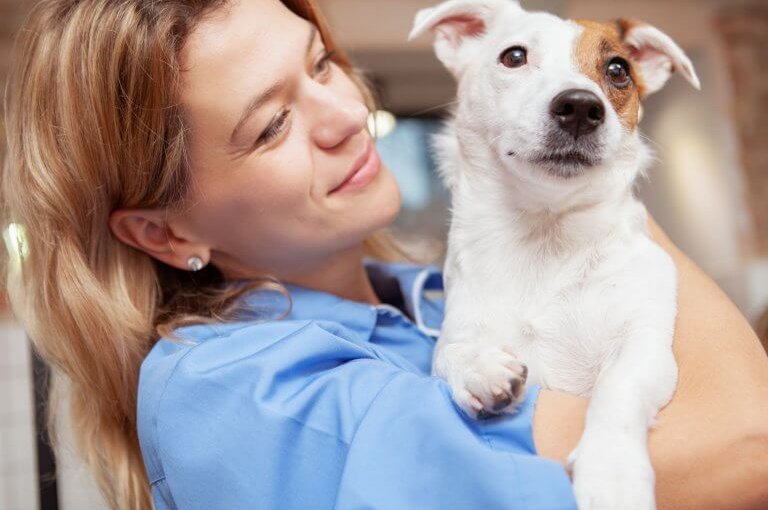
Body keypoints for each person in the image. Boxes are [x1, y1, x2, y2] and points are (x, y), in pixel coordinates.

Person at [2, 0, 767, 509]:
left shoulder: (427, 297)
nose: (344, 113)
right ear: (166, 234)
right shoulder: (242, 390)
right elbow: (747, 442)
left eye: (322, 63)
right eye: (271, 126)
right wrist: (598, 186)